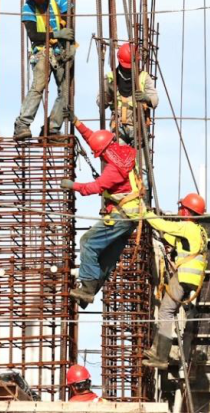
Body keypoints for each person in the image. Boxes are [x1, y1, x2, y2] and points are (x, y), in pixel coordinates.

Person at [63, 119, 144, 306]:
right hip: (130, 218)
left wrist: (72, 185)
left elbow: (95, 187)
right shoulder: (123, 153)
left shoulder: (114, 169)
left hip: (121, 216)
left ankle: (88, 288)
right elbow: (94, 138)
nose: (99, 158)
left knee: (88, 242)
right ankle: (89, 291)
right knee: (106, 258)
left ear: (103, 151)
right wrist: (76, 122)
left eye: (99, 155)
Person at [142, 194, 208, 370]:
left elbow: (164, 225)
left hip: (184, 276)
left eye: (181, 208)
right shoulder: (200, 231)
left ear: (186, 211)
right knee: (169, 311)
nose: (179, 211)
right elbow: (177, 241)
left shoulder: (186, 226)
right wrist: (162, 238)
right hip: (193, 279)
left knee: (166, 312)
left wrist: (145, 213)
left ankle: (160, 356)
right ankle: (158, 351)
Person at [15, 0, 73, 139]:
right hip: (41, 52)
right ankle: (22, 125)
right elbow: (33, 35)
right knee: (38, 87)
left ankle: (52, 128)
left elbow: (70, 18)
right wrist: (57, 34)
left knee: (66, 91)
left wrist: (70, 42)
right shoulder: (28, 8)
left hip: (60, 52)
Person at [97, 42, 158, 145]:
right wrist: (108, 93)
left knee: (140, 159)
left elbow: (155, 100)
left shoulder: (143, 77)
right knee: (119, 158)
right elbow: (101, 103)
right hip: (118, 128)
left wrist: (146, 98)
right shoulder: (110, 78)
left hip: (139, 128)